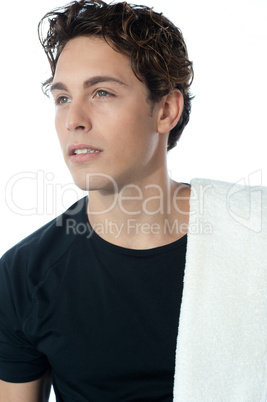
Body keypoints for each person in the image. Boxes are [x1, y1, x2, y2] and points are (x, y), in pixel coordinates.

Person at [1, 1, 267, 401]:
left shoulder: (255, 236)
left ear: (166, 109)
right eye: (62, 98)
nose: (74, 119)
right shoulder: (24, 276)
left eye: (102, 92)